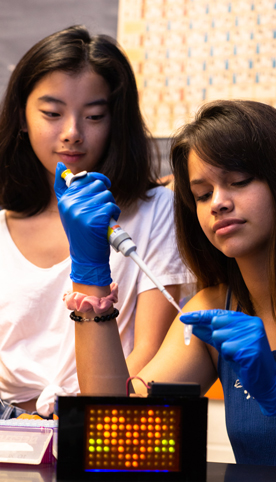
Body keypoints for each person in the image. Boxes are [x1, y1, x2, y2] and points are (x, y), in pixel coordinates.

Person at [55, 100, 276, 470]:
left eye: (238, 182)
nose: (219, 203)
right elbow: (113, 437)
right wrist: (90, 271)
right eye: (202, 194)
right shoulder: (210, 309)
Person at [0, 25, 193, 418]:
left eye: (93, 116)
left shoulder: (155, 210)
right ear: (22, 117)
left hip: (106, 428)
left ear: (115, 121)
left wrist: (70, 420)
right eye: (52, 113)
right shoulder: (3, 224)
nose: (72, 133)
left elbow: (149, 358)